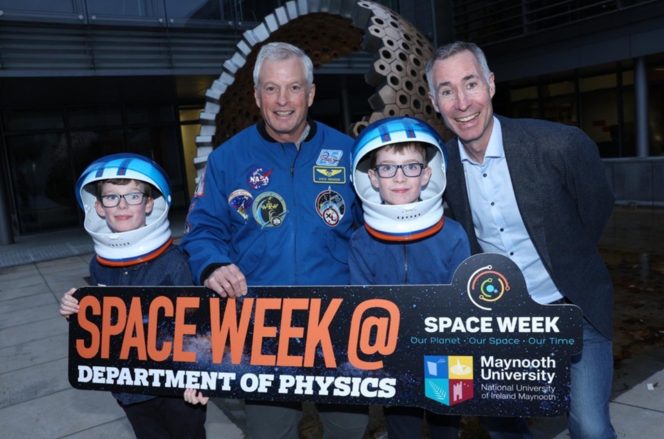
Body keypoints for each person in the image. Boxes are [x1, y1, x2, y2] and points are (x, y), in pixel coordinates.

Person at [426, 41, 616, 439]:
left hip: (574, 308)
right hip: (499, 320)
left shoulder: (558, 145)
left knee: (591, 426)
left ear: (491, 85)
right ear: (435, 101)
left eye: (471, 84)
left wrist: (569, 259)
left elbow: (595, 209)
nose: (462, 102)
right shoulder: (438, 169)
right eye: (447, 91)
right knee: (502, 425)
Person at [180, 42, 367, 439]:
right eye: (271, 88)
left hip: (339, 324)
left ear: (311, 94)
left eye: (294, 88)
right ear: (256, 95)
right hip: (263, 328)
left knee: (349, 428)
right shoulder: (228, 159)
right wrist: (211, 263)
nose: (283, 101)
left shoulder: (349, 153)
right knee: (269, 433)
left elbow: (375, 229)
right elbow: (203, 229)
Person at [58, 153, 209, 439]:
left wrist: (201, 377)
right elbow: (106, 327)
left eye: (133, 196)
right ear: (99, 208)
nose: (122, 205)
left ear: (150, 203)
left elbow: (197, 327)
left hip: (177, 391)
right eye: (112, 198)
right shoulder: (97, 264)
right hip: (130, 388)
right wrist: (76, 313)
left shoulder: (174, 262)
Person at [349, 116, 471, 438]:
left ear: (428, 173)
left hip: (448, 354)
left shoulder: (453, 235)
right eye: (387, 168)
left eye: (411, 167)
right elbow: (363, 304)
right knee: (402, 430)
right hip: (393, 356)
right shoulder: (362, 240)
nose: (400, 177)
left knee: (447, 430)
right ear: (372, 177)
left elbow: (464, 306)